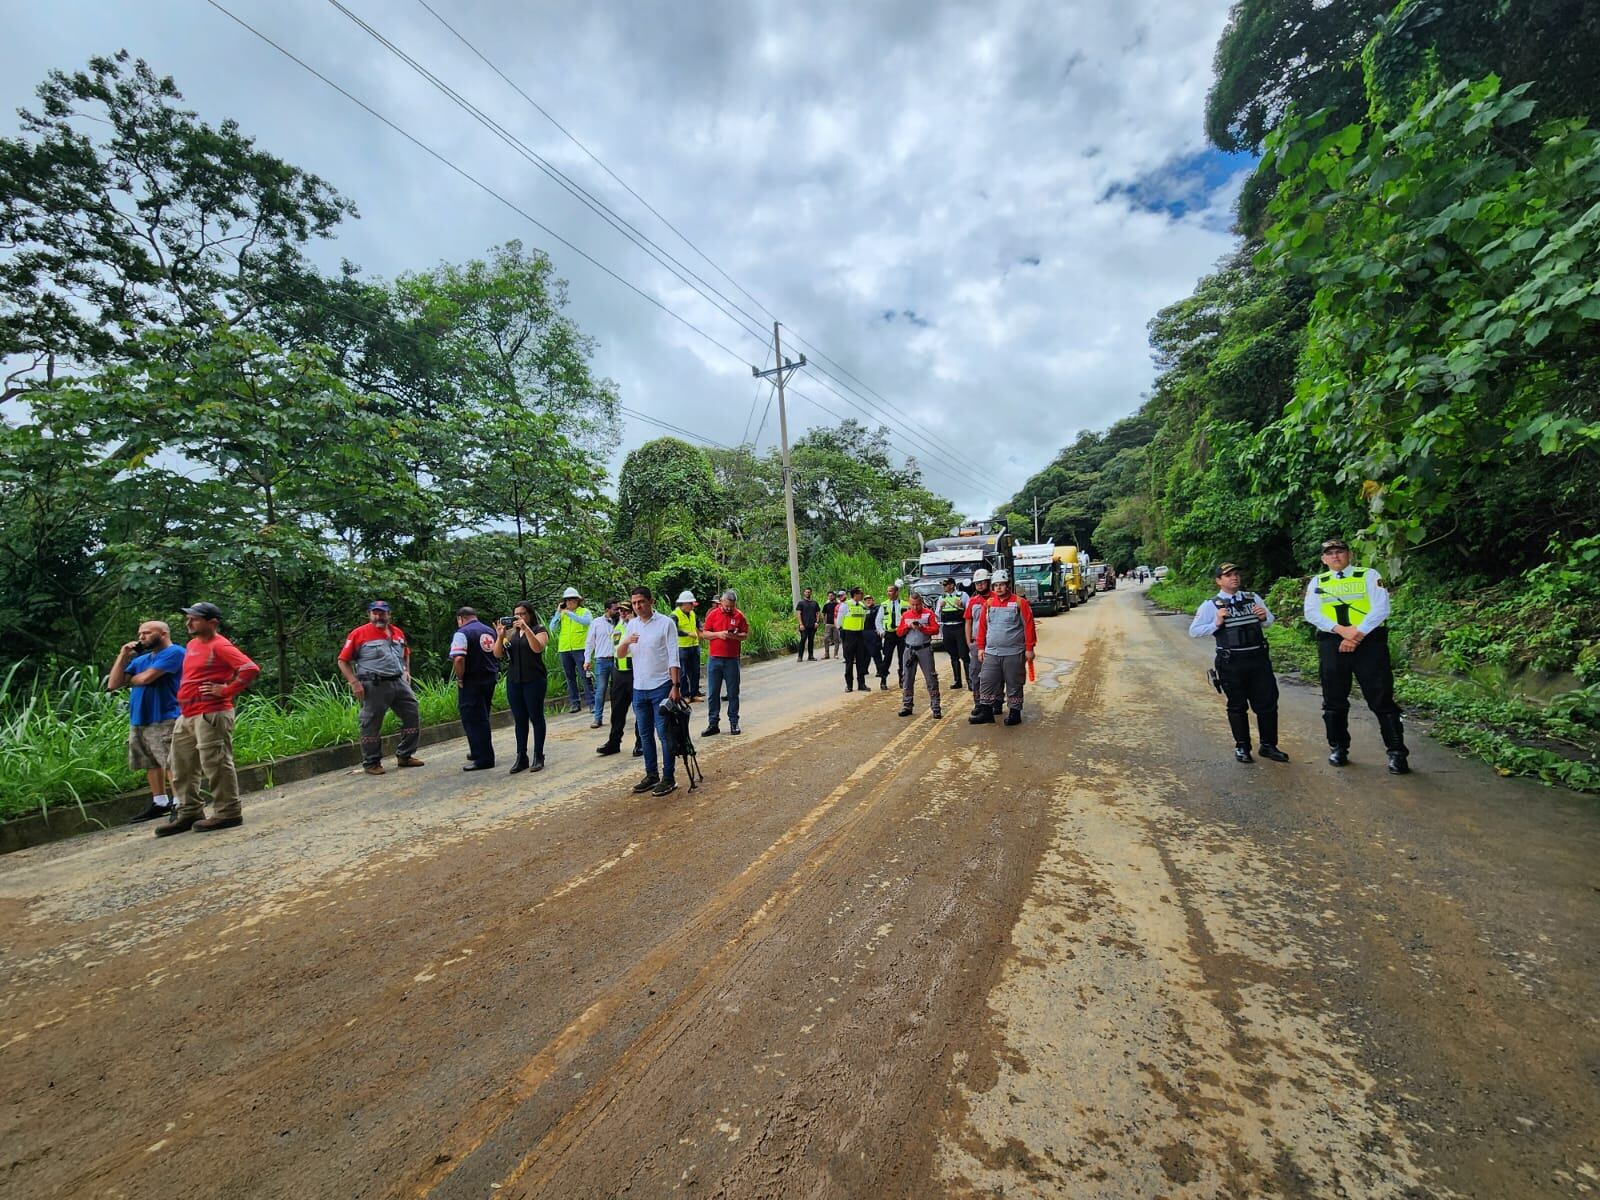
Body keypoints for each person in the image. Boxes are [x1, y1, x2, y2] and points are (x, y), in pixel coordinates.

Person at [1304, 537, 1410, 773]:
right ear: (1323, 559)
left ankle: (1396, 753)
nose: (1335, 556)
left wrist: (1356, 636)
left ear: (1348, 554)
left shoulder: (1368, 575)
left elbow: (1381, 608)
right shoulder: (1318, 581)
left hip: (1369, 643)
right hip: (1333, 642)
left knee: (1381, 698)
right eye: (1329, 553)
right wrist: (1343, 632)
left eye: (1339, 551)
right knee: (1334, 700)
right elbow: (1312, 613)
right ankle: (1338, 747)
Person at [155, 602, 260, 837]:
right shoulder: (192, 644)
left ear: (212, 622)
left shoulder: (220, 645)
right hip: (188, 714)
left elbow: (249, 668)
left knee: (216, 763)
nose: (188, 622)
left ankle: (228, 811)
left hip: (211, 713)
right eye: (188, 618)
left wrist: (225, 690)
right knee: (179, 764)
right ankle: (190, 811)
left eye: (194, 619)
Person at [1188, 564, 1288, 764]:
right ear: (1219, 580)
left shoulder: (1252, 598)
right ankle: (1242, 746)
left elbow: (1269, 621)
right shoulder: (1212, 605)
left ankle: (1268, 745)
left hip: (1258, 659)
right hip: (1231, 661)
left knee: (1267, 704)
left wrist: (1263, 617)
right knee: (1237, 705)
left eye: (1236, 574)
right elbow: (1194, 631)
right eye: (1228, 575)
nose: (1234, 578)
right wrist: (1216, 623)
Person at [107, 619, 185, 822]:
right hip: (140, 717)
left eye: (147, 633)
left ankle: (180, 802)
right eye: (140, 633)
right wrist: (123, 655)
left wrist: (131, 680)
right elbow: (113, 684)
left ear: (163, 634)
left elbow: (146, 679)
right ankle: (160, 801)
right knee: (150, 761)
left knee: (169, 761)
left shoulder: (174, 652)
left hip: (165, 715)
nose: (141, 637)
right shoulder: (140, 660)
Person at [336, 601, 425, 777]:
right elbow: (342, 661)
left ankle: (405, 755)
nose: (379, 616)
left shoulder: (397, 632)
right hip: (374, 684)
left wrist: (407, 671)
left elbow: (406, 654)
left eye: (382, 613)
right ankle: (372, 762)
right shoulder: (359, 634)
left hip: (398, 681)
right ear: (369, 614)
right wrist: (354, 682)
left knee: (412, 713)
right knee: (371, 722)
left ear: (389, 614)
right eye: (375, 613)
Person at [616, 585, 683, 797]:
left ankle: (669, 776)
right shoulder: (632, 625)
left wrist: (675, 686)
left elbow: (674, 656)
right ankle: (651, 774)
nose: (637, 606)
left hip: (661, 685)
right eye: (634, 603)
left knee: (664, 733)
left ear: (651, 601)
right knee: (644, 734)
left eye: (641, 602)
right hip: (639, 687)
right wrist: (626, 641)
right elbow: (619, 654)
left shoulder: (666, 623)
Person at [970, 571, 1036, 726]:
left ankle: (1015, 712)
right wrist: (981, 647)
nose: (999, 588)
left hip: (1014, 652)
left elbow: (1028, 626)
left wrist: (1029, 648)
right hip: (992, 652)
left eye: (1001, 585)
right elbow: (983, 628)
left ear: (1008, 586)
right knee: (986, 679)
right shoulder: (989, 604)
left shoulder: (1020, 603)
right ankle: (986, 712)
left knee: (1014, 682)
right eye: (996, 585)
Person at [493, 600, 549, 774]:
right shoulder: (511, 633)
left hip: (534, 678)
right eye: (516, 614)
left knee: (536, 716)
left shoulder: (539, 630)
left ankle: (538, 755)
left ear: (530, 615)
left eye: (523, 614)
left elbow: (537, 648)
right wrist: (500, 636)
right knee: (519, 719)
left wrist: (526, 629)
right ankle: (521, 756)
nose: (519, 617)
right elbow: (497, 654)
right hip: (514, 680)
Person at [451, 606, 500, 771]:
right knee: (483, 715)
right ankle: (477, 750)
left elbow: (458, 659)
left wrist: (459, 678)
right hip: (489, 678)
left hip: (472, 680)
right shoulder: (489, 631)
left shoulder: (462, 633)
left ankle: (484, 758)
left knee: (473, 719)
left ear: (460, 618)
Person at [596, 599, 643, 758]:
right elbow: (617, 648)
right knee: (617, 710)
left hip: (635, 671)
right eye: (621, 611)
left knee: (639, 709)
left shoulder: (639, 626)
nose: (623, 613)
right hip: (619, 672)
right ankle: (614, 742)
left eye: (627, 610)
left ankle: (641, 742)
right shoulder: (618, 627)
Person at [701, 589, 751, 735]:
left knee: (733, 693)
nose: (729, 608)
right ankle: (713, 723)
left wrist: (735, 636)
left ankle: (734, 722)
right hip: (715, 659)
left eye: (732, 606)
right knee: (713, 693)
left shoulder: (739, 615)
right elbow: (705, 633)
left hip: (731, 660)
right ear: (721, 602)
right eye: (726, 605)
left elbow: (745, 634)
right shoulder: (713, 614)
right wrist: (718, 634)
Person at [896, 592, 943, 719]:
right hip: (909, 649)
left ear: (921, 603)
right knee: (907, 678)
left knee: (931, 678)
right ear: (909, 603)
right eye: (912, 605)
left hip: (924, 648)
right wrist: (907, 626)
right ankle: (907, 705)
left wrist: (922, 627)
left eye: (917, 605)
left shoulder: (928, 613)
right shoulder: (906, 615)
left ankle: (936, 706)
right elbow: (899, 632)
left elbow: (935, 630)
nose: (915, 607)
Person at [549, 587, 594, 714]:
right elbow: (552, 628)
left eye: (571, 600)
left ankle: (592, 703)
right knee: (570, 677)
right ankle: (575, 703)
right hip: (564, 649)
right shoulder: (562, 614)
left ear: (577, 600)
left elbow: (586, 622)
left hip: (580, 648)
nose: (569, 602)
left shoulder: (584, 611)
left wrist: (570, 614)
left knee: (585, 676)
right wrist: (558, 613)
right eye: (566, 600)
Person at [584, 598, 621, 729]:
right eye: (615, 609)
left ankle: (616, 717)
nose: (618, 611)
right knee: (600, 690)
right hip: (602, 660)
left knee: (617, 691)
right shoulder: (597, 623)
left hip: (617, 659)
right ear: (607, 610)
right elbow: (590, 642)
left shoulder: (621, 622)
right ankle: (597, 718)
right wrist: (587, 659)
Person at [964, 569, 993, 704]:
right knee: (975, 674)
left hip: (993, 643)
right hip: (977, 643)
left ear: (988, 582)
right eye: (977, 583)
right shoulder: (973, 601)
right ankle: (978, 702)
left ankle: (995, 702)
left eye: (982, 582)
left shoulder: (996, 599)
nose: (980, 585)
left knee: (994, 675)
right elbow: (968, 621)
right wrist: (969, 641)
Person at [838, 587, 871, 692]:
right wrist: (842, 631)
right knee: (849, 661)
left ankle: (861, 684)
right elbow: (840, 620)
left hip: (860, 634)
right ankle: (849, 685)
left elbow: (864, 618)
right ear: (855, 594)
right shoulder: (845, 605)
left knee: (861, 660)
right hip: (849, 634)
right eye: (861, 594)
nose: (862, 595)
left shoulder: (862, 605)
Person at [937, 577, 968, 690]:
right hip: (947, 627)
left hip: (959, 626)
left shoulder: (962, 595)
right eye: (943, 585)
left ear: (952, 585)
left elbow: (969, 611)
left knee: (964, 654)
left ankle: (970, 681)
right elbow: (937, 614)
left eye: (946, 585)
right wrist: (940, 607)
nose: (944, 587)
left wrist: (961, 606)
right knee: (953, 655)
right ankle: (957, 680)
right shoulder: (942, 598)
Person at [672, 591, 703, 702]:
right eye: (690, 603)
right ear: (684, 603)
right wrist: (688, 634)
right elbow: (674, 630)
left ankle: (694, 693)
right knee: (683, 673)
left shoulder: (692, 613)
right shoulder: (675, 615)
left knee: (695, 671)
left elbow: (698, 621)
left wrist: (700, 628)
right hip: (682, 647)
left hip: (694, 645)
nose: (692, 606)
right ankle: (685, 695)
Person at [876, 582, 906, 691]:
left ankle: (902, 678)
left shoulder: (905, 604)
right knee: (887, 657)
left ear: (897, 592)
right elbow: (878, 620)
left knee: (902, 657)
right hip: (889, 634)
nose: (889, 593)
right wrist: (881, 631)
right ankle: (883, 679)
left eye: (891, 591)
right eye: (888, 591)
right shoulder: (884, 605)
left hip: (902, 634)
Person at [795, 587, 821, 663]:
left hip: (812, 626)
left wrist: (817, 622)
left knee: (811, 641)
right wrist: (801, 624)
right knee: (803, 640)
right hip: (804, 626)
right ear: (804, 593)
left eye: (809, 592)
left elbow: (818, 613)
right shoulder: (801, 603)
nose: (807, 593)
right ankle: (800, 657)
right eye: (806, 592)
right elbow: (798, 614)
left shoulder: (814, 603)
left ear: (811, 593)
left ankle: (811, 656)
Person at [821, 590, 840, 660]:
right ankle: (826, 654)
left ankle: (836, 654)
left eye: (831, 596)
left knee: (836, 639)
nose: (830, 597)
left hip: (836, 624)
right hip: (828, 624)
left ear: (834, 596)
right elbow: (823, 613)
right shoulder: (826, 605)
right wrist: (824, 622)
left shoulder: (838, 604)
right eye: (829, 596)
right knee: (826, 639)